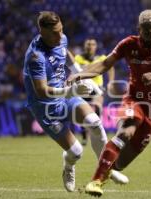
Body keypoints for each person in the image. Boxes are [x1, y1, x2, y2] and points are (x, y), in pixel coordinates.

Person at [69, 9, 151, 197]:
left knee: (120, 164)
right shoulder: (128, 44)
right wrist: (80, 74)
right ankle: (95, 181)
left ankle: (108, 169)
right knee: (125, 132)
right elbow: (105, 64)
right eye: (147, 32)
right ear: (139, 29)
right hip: (135, 99)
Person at [22, 11, 128, 193]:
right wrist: (69, 90)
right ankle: (68, 165)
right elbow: (41, 91)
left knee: (95, 123)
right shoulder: (35, 56)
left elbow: (66, 53)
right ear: (42, 31)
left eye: (61, 30)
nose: (60, 35)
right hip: (46, 107)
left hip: (66, 97)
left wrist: (79, 73)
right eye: (55, 32)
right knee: (76, 151)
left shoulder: (60, 38)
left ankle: (106, 169)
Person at [73, 38, 115, 146]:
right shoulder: (78, 58)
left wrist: (110, 82)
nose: (90, 46)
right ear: (84, 46)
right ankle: (84, 136)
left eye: (92, 44)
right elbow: (73, 71)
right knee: (81, 113)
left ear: (96, 46)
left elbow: (110, 68)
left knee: (97, 107)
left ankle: (97, 133)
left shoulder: (101, 58)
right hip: (83, 88)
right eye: (88, 44)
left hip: (97, 88)